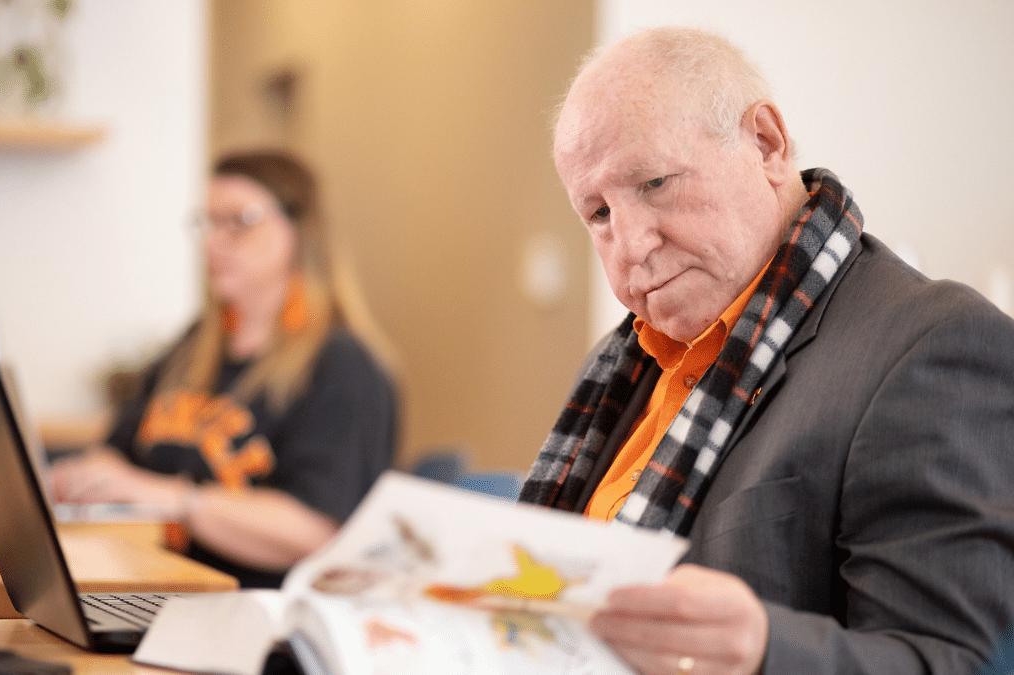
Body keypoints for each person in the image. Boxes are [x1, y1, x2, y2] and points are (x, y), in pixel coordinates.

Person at [519, 26, 1014, 675]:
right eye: (599, 214)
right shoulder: (616, 368)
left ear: (767, 143)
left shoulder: (936, 343)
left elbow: (949, 662)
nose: (631, 244)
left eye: (655, 183)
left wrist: (763, 648)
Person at [50, 150, 400, 589]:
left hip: (256, 622)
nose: (213, 242)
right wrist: (91, 477)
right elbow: (119, 448)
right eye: (207, 223)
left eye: (238, 221)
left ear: (300, 232)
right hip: (152, 587)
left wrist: (172, 499)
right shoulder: (197, 344)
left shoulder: (344, 369)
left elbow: (317, 532)